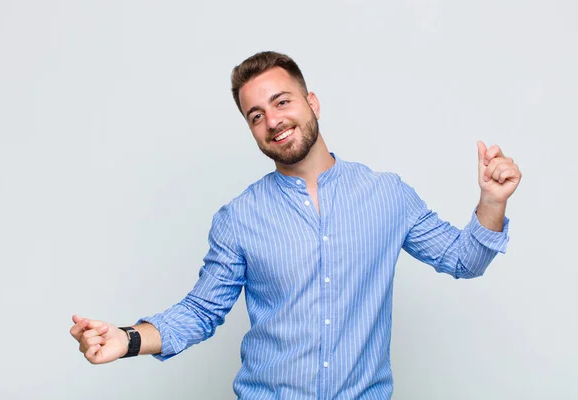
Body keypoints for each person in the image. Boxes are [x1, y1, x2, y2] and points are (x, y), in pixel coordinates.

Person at [70, 51, 521, 399]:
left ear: (312, 102)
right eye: (256, 115)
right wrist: (128, 340)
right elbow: (201, 312)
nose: (273, 121)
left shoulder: (387, 195)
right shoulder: (238, 218)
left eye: (281, 102)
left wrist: (491, 201)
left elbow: (463, 259)